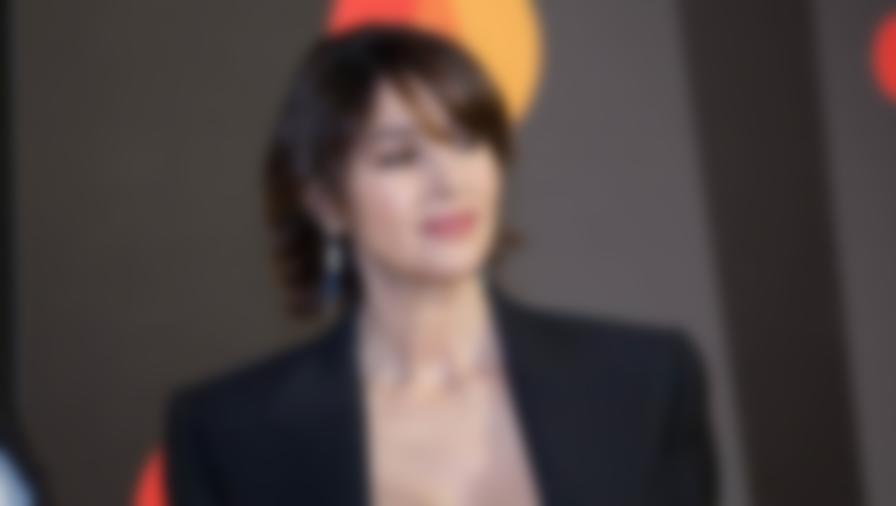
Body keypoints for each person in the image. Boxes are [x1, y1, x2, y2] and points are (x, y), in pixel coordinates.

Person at [164, 24, 717, 506]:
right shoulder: (229, 432)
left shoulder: (643, 380)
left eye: (466, 142)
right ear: (327, 203)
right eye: (399, 157)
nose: (449, 182)